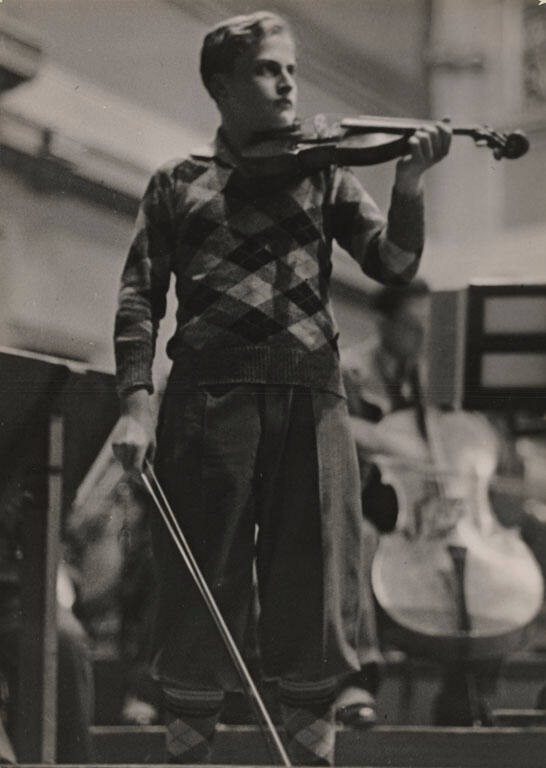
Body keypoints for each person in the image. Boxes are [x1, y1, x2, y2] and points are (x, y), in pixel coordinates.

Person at [111, 11, 451, 765]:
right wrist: (136, 404)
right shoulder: (179, 183)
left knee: (314, 592)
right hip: (208, 401)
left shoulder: (325, 172)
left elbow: (394, 264)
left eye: (291, 67)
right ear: (223, 86)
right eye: (269, 69)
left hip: (311, 402)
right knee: (199, 594)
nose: (289, 80)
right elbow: (140, 297)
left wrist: (409, 179)